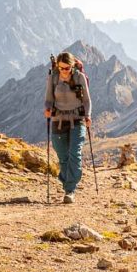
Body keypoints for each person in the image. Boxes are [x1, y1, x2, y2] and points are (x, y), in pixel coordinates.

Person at [44, 52, 92, 203]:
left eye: (67, 68)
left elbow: (87, 100)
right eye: (61, 68)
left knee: (75, 154)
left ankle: (70, 190)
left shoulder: (79, 77)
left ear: (72, 66)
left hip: (77, 120)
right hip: (58, 120)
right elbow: (48, 99)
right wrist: (47, 109)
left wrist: (88, 115)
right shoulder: (53, 78)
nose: (64, 71)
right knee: (62, 156)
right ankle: (67, 183)